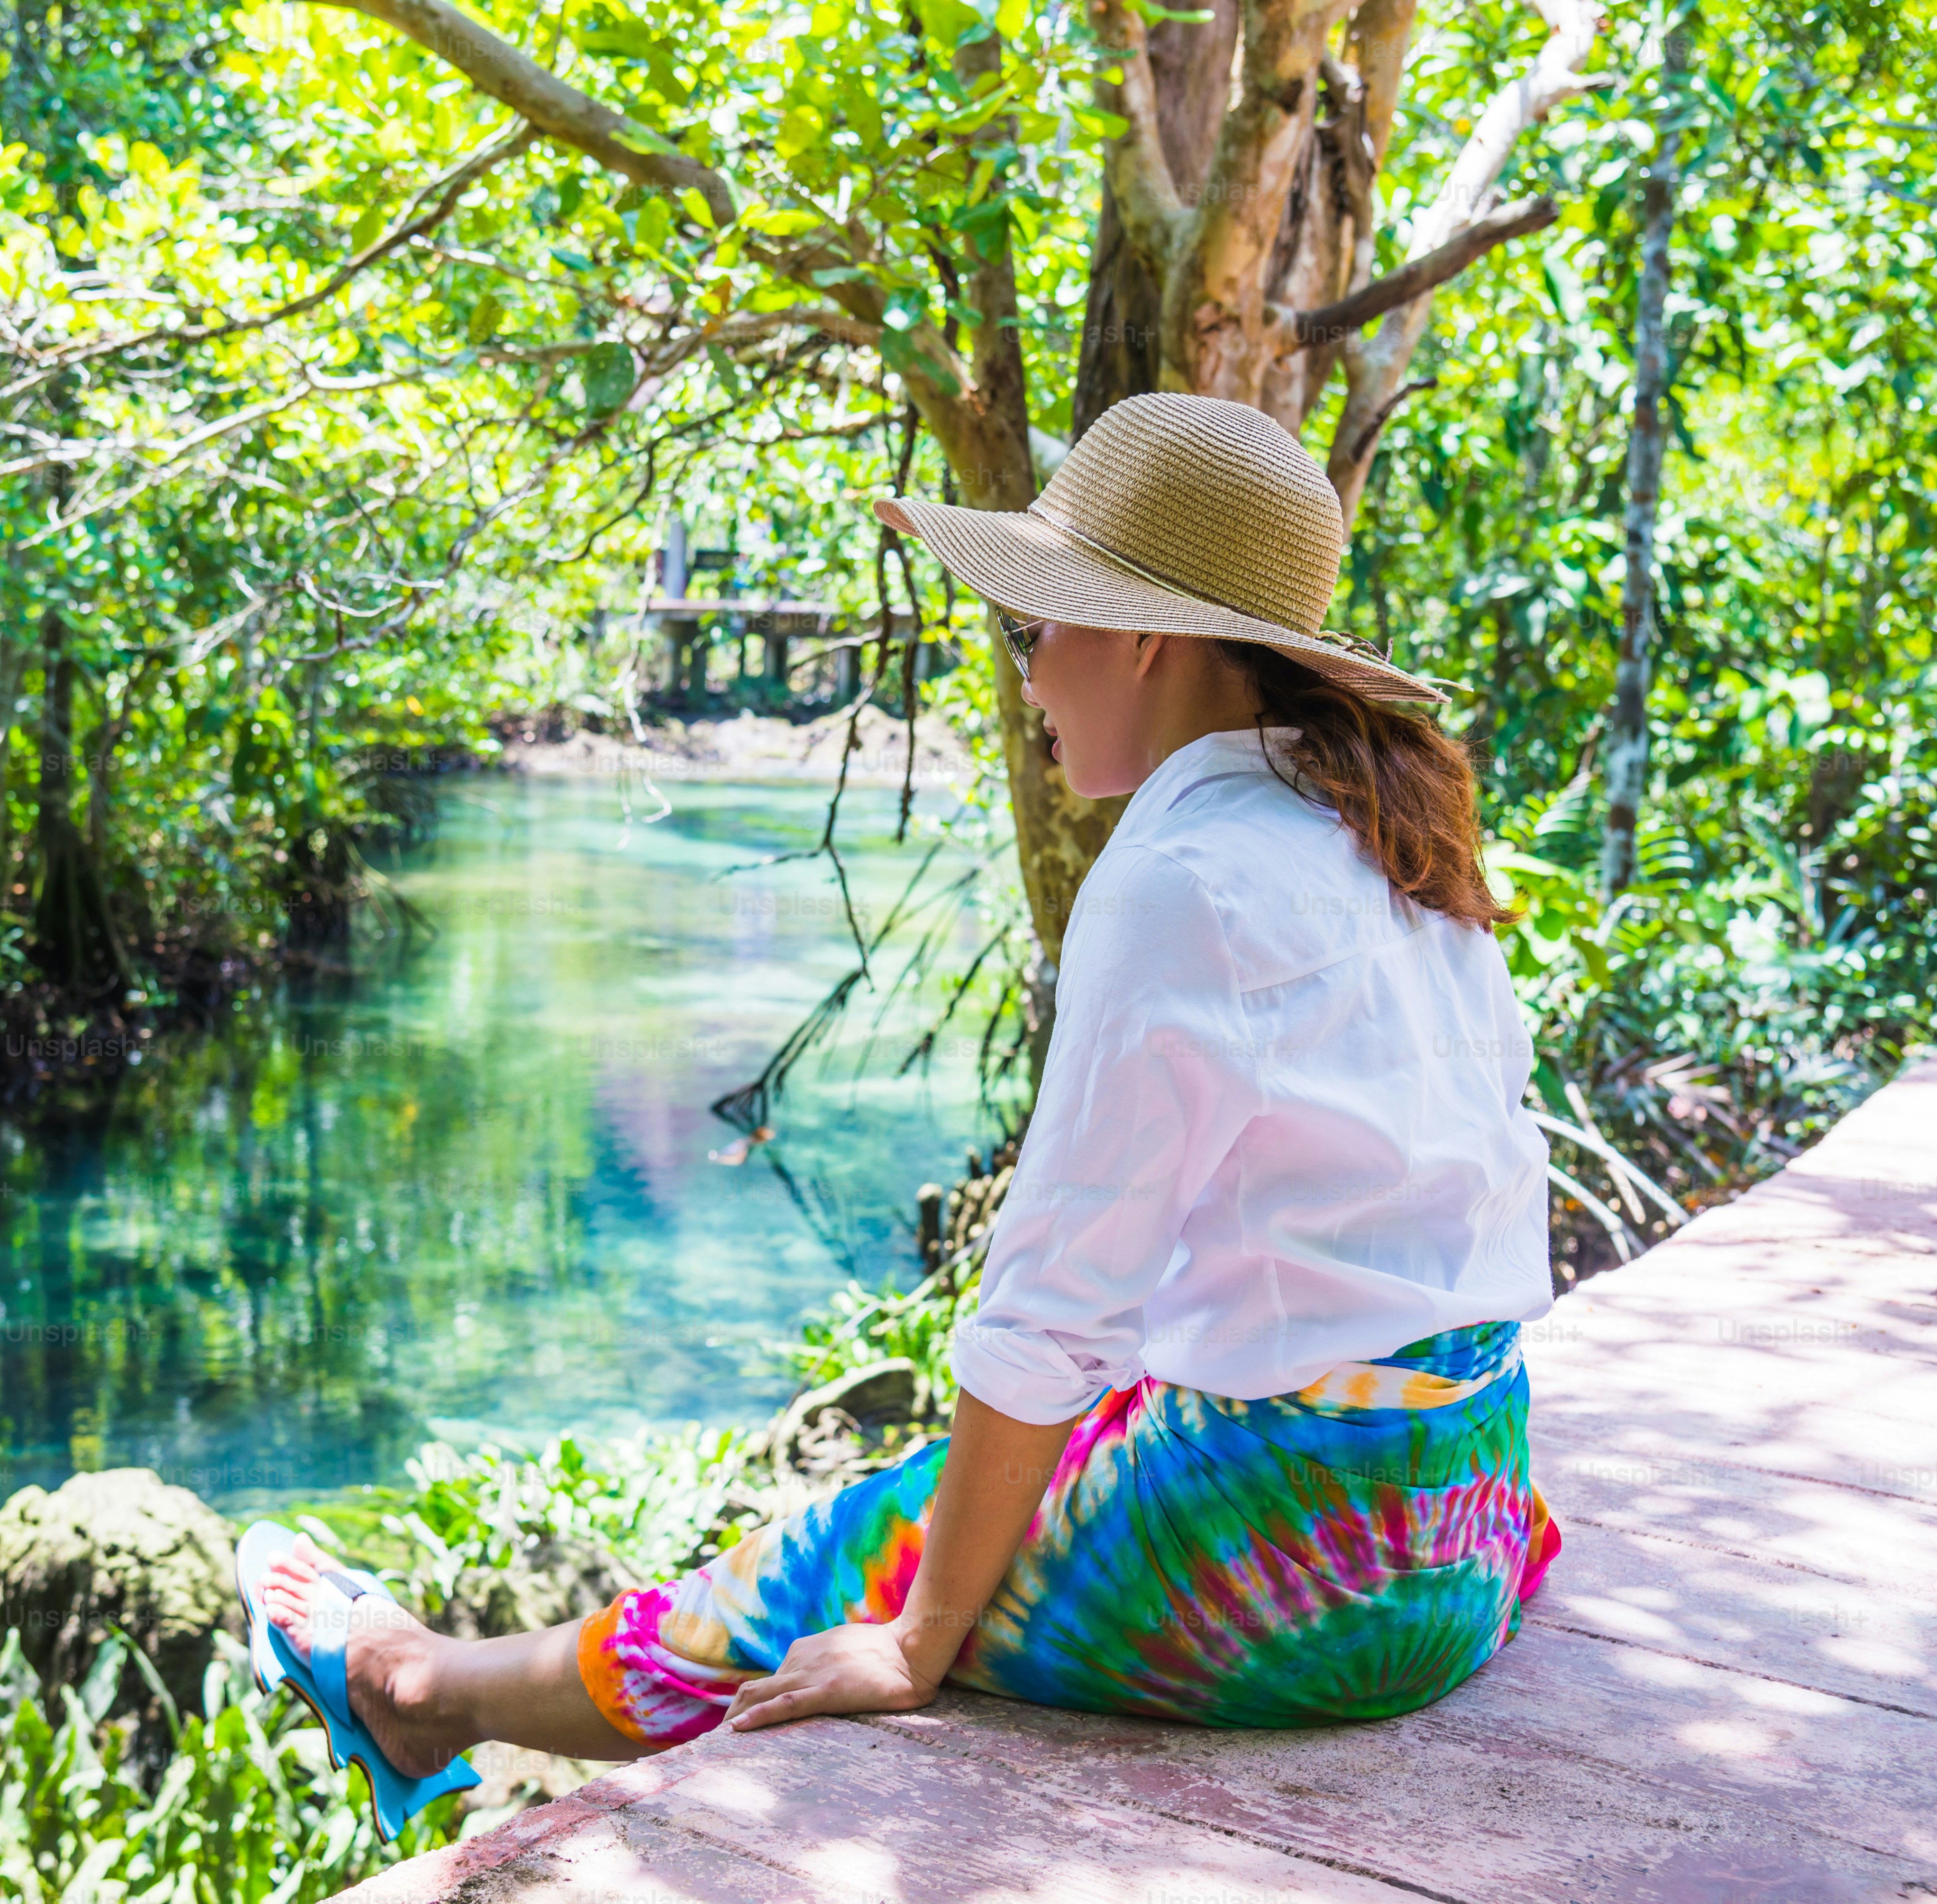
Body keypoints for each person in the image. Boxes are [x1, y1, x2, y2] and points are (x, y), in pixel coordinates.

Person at [242, 392, 1562, 1797]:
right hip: (1470, 1527)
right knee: (1027, 1459)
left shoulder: (1182, 879)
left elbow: (1056, 1301)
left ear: (1143, 640)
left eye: (1031, 628)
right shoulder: (1378, 827)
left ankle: (418, 1692)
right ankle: (436, 1684)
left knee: (839, 1557)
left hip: (1310, 1579)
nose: (1028, 676)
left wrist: (921, 1639)